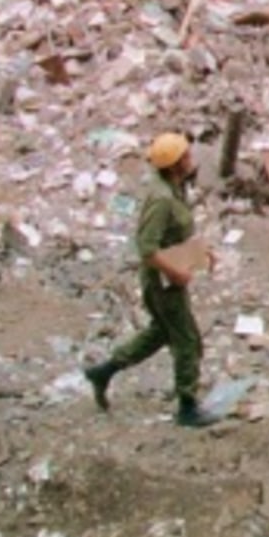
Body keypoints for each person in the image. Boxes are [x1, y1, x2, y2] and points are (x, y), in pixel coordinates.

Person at [82, 132, 222, 427]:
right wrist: (175, 272)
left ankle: (104, 371)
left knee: (160, 333)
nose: (190, 160)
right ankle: (187, 406)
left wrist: (201, 253)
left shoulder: (175, 188)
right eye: (185, 157)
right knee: (186, 340)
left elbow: (177, 233)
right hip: (163, 282)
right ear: (173, 165)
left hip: (170, 274)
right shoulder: (161, 199)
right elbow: (147, 248)